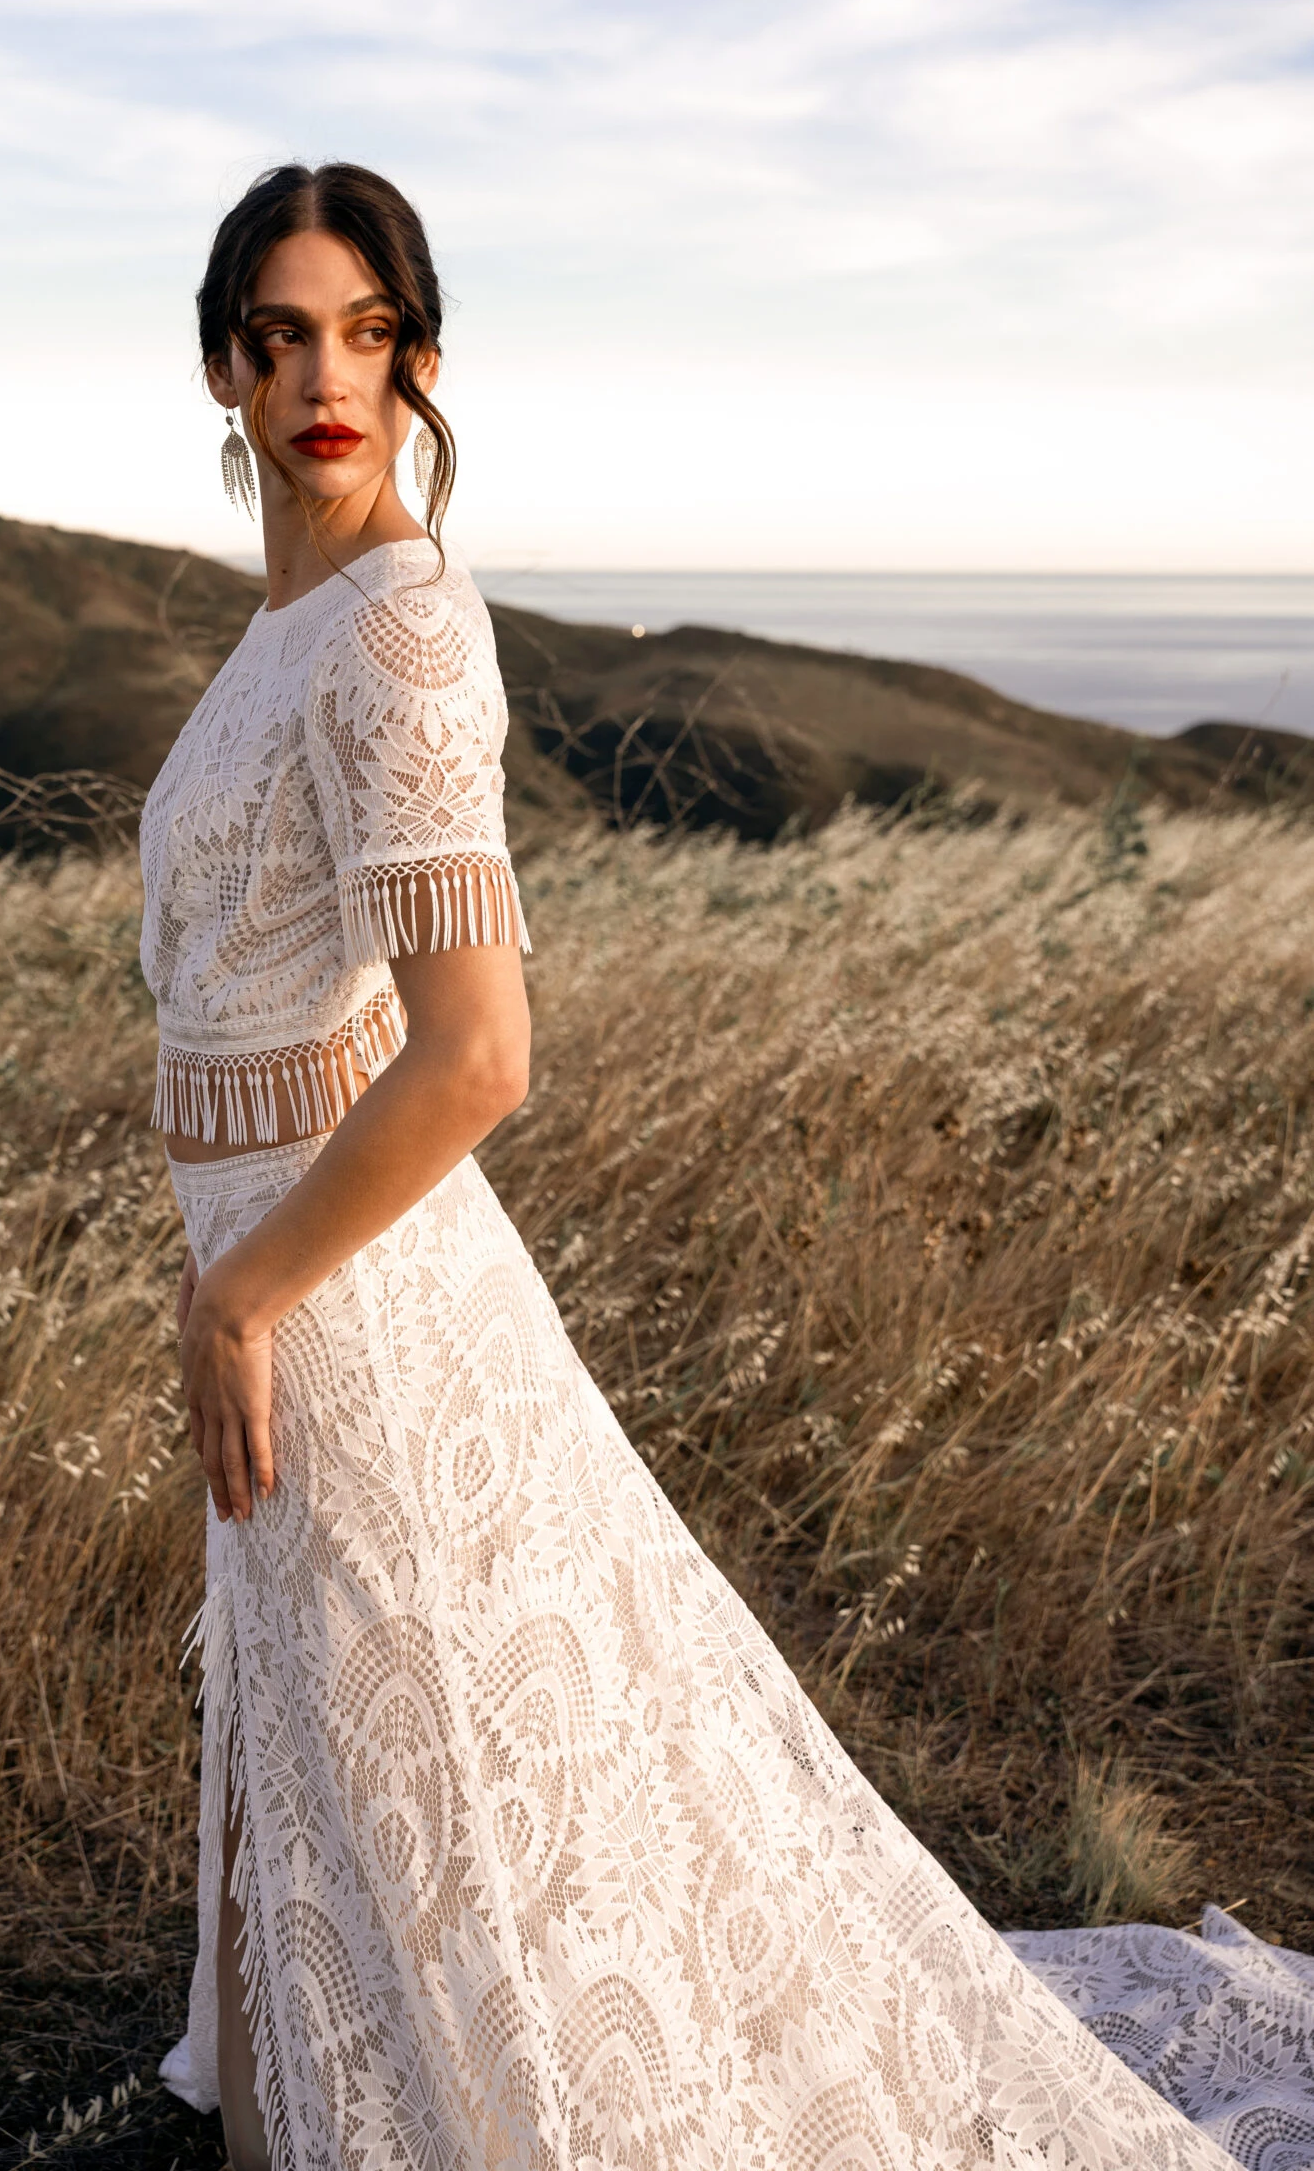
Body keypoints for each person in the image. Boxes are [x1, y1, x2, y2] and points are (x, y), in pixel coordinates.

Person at [141, 164, 1297, 2171]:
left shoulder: (401, 630)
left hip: (343, 1285)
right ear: (223, 367)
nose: (323, 373)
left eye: (365, 329)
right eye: (278, 334)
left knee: (434, 1769)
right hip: (277, 1257)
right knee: (341, 1742)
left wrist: (244, 1285)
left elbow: (483, 1051)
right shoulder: (286, 626)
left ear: (417, 359)